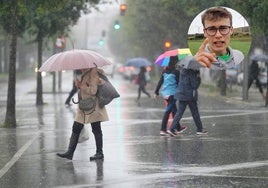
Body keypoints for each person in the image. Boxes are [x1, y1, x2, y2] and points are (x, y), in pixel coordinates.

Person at [57, 67, 109, 161]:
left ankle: (99, 153)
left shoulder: (93, 73)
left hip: (93, 106)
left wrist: (81, 86)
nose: (79, 66)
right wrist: (79, 86)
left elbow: (93, 90)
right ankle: (70, 152)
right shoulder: (83, 73)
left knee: (96, 128)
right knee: (76, 127)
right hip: (84, 106)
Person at [167, 68, 207, 136]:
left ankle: (171, 129)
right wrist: (198, 77)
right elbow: (195, 85)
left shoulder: (183, 70)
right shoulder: (192, 72)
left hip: (182, 94)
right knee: (195, 113)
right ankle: (200, 129)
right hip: (189, 95)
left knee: (179, 112)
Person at [154, 56, 180, 136]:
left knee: (174, 110)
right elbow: (179, 83)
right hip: (172, 94)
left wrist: (156, 92)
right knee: (168, 111)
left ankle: (178, 127)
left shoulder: (164, 71)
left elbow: (160, 81)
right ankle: (163, 129)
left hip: (165, 94)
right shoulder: (176, 72)